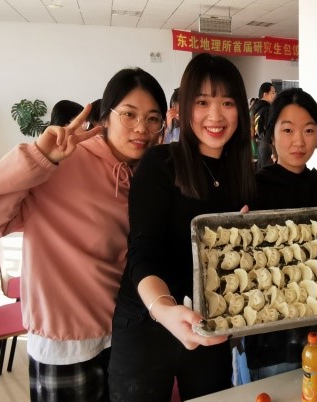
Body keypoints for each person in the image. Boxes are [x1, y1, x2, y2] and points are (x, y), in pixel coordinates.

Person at [0, 67, 167, 401]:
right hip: (67, 342)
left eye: (153, 118)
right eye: (129, 114)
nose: (141, 127)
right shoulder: (61, 162)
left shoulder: (149, 173)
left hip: (127, 333)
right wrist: (37, 158)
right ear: (105, 118)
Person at [108, 53, 255, 401]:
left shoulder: (243, 175)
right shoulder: (161, 164)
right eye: (202, 102)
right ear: (185, 107)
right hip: (147, 321)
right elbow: (143, 252)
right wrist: (163, 309)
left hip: (209, 325)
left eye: (227, 103)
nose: (215, 116)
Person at [244, 88, 317, 379]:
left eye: (309, 130)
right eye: (287, 130)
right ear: (271, 136)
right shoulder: (255, 190)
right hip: (272, 334)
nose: (299, 141)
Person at [252, 82, 277, 170]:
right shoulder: (266, 109)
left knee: (260, 170)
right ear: (265, 94)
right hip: (266, 145)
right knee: (266, 171)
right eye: (273, 93)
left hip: (258, 144)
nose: (275, 95)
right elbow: (269, 129)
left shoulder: (255, 109)